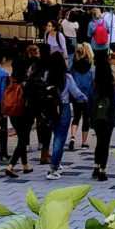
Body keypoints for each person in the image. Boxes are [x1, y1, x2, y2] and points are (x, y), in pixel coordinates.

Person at [45, 50, 87, 179]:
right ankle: (52, 167)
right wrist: (85, 99)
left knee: (56, 135)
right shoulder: (66, 77)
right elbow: (76, 93)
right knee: (60, 138)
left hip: (50, 108)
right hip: (63, 108)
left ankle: (56, 163)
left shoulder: (47, 75)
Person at [4, 50, 42, 177]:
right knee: (23, 140)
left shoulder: (9, 80)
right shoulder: (28, 82)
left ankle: (25, 165)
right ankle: (10, 166)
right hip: (25, 112)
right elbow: (33, 101)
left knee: (21, 137)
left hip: (12, 111)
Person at [89, 49, 115, 181]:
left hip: (97, 115)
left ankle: (96, 166)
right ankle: (103, 169)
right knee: (105, 143)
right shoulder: (111, 84)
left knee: (98, 142)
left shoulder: (95, 83)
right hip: (108, 116)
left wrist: (90, 116)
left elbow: (90, 100)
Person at [69, 41, 94, 150]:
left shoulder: (74, 68)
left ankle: (73, 136)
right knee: (86, 118)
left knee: (76, 116)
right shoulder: (91, 68)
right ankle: (84, 141)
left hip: (76, 95)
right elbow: (93, 82)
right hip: (87, 95)